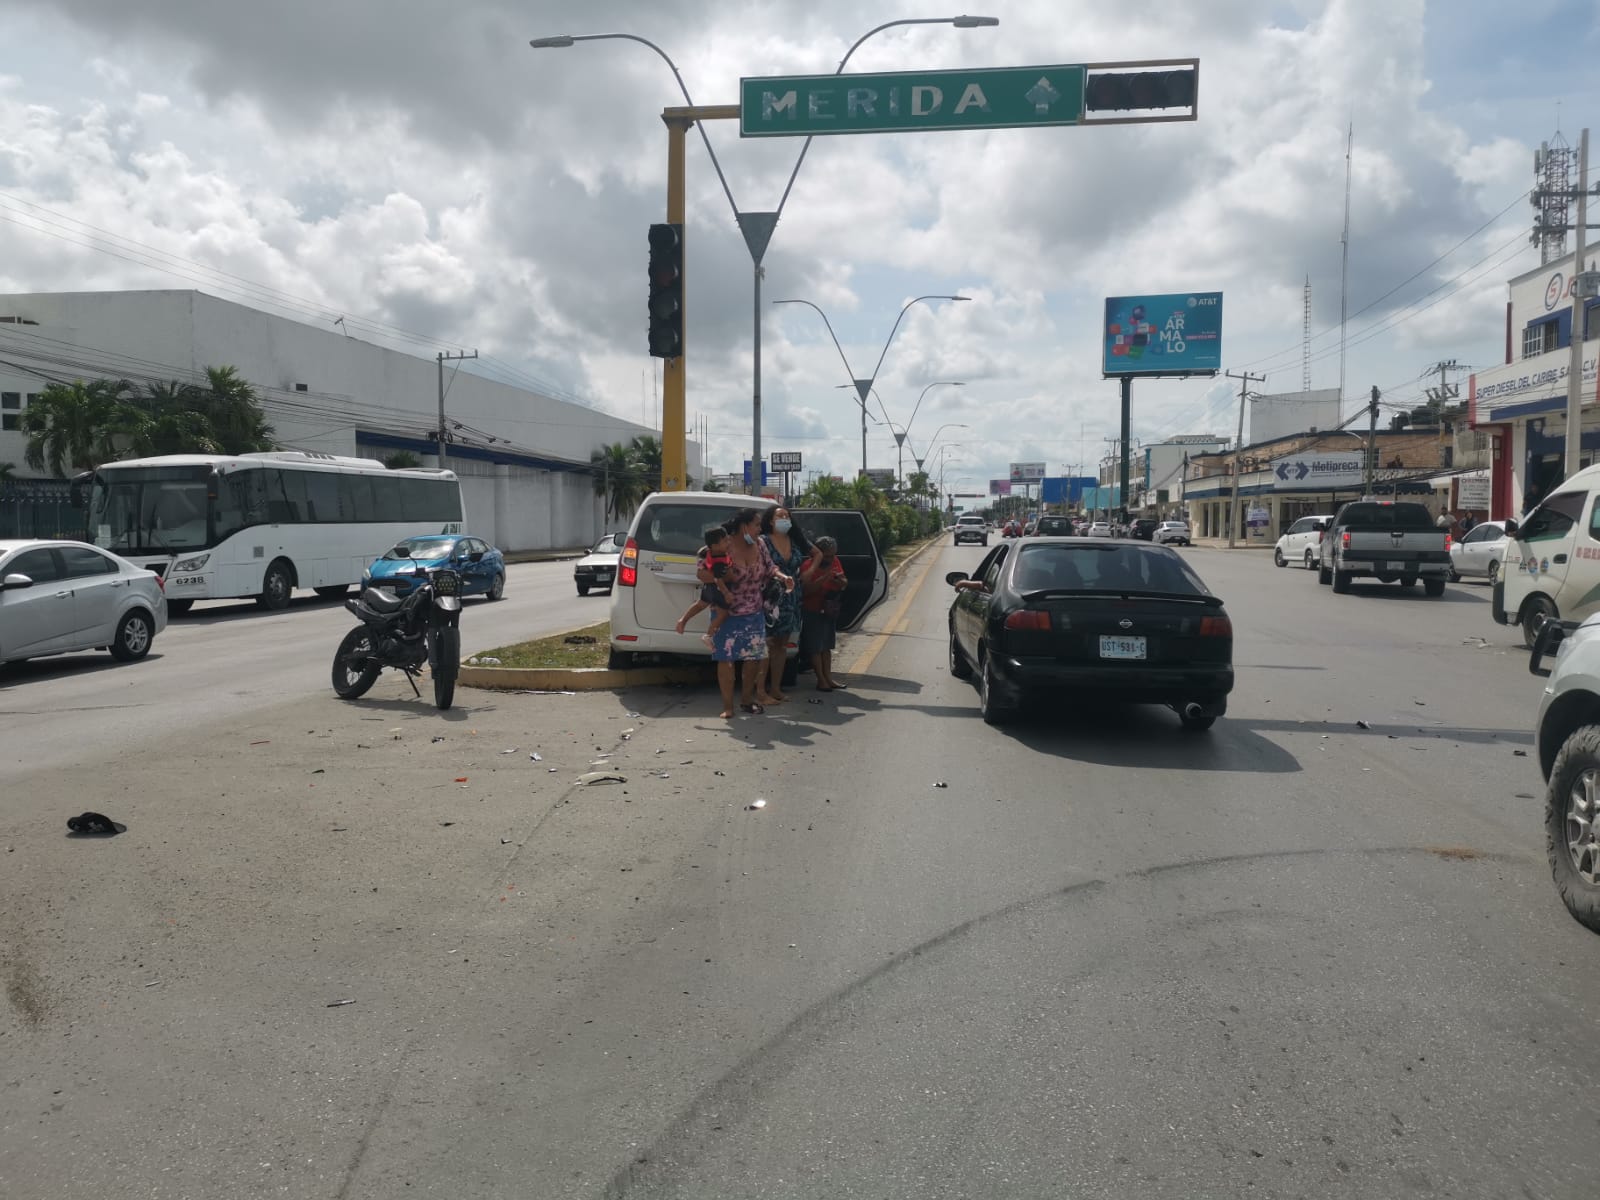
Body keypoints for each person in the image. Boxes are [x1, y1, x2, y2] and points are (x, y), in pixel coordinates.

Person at [703, 508, 792, 718]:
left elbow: (770, 567)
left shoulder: (759, 544)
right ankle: (728, 707)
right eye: (757, 525)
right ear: (744, 527)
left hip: (754, 612)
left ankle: (746, 700)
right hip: (726, 612)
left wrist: (782, 576)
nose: (759, 530)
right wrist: (723, 578)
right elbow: (702, 571)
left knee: (752, 658)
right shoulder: (723, 545)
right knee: (725, 659)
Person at [760, 506, 813, 703]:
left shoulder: (794, 540)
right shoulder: (763, 541)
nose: (784, 519)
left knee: (782, 645)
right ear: (771, 520)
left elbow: (815, 553)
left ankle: (775, 688)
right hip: (770, 597)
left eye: (787, 516)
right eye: (780, 516)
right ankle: (760, 690)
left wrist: (807, 574)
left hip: (791, 597)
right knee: (766, 643)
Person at [799, 535, 847, 691]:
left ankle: (829, 678)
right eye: (827, 556)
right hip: (812, 609)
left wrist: (840, 582)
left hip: (829, 609)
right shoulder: (808, 565)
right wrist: (825, 577)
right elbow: (806, 590)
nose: (830, 559)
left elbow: (845, 583)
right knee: (815, 647)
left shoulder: (835, 562)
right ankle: (820, 679)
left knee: (827, 646)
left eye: (832, 555)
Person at [674, 525, 733, 646]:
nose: (729, 543)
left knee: (700, 604)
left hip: (708, 587)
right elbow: (718, 579)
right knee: (723, 613)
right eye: (725, 541)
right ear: (715, 546)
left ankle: (683, 620)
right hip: (718, 589)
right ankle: (709, 635)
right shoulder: (720, 561)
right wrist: (726, 593)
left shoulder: (707, 553)